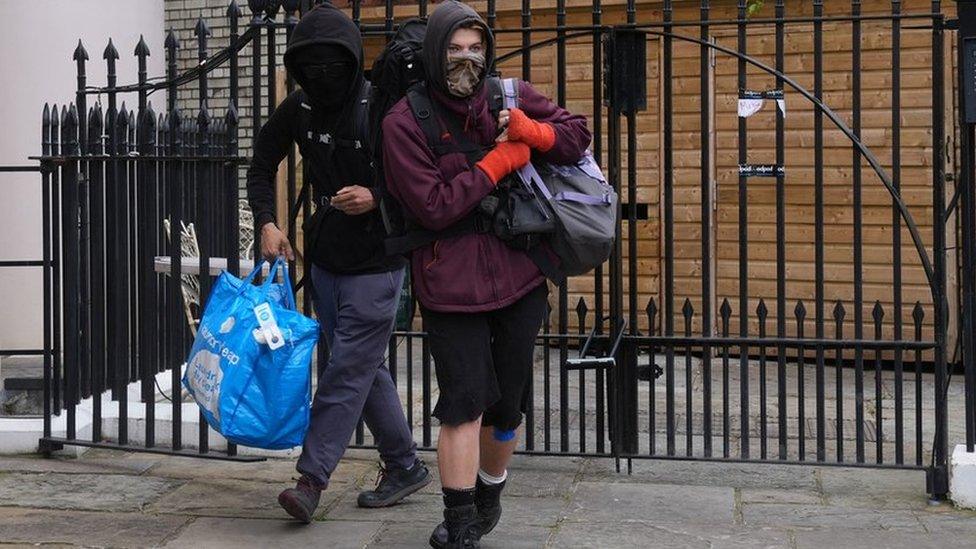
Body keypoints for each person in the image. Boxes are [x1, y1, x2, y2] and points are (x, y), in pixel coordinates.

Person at [380, 2, 591, 547]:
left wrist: (531, 133)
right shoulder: (405, 122)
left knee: (507, 406)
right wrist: (499, 162)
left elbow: (576, 135)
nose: (466, 59)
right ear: (435, 53)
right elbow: (432, 206)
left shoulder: (508, 96)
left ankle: (490, 491)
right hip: (449, 285)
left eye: (476, 48)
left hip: (520, 274)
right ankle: (459, 523)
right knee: (463, 403)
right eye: (454, 48)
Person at [245, 3, 431, 524]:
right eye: (312, 66)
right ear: (298, 68)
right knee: (362, 366)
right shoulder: (299, 108)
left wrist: (376, 196)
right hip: (325, 262)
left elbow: (419, 181)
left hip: (377, 261)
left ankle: (311, 479)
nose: (324, 75)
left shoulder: (381, 106)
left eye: (335, 64)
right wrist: (267, 221)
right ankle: (404, 465)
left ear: (352, 62)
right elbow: (261, 163)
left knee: (344, 368)